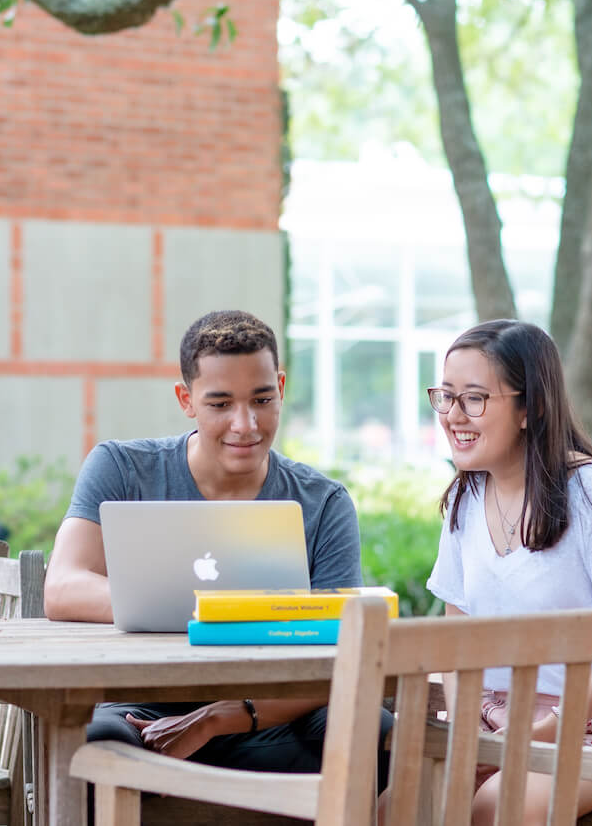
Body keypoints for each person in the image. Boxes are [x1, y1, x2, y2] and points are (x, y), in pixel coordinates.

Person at [45, 308, 391, 786]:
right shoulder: (121, 468)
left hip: (269, 712)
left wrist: (220, 716)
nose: (245, 424)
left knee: (372, 729)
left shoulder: (324, 503)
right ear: (186, 399)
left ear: (282, 388)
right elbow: (62, 588)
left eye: (262, 399)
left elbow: (342, 649)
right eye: (220, 403)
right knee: (94, 748)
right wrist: (209, 607)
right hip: (143, 710)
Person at [424, 319, 592, 826]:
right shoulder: (465, 498)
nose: (453, 416)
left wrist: (539, 733)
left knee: (497, 809)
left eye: (474, 399)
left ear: (530, 407)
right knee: (392, 806)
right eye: (444, 397)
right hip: (492, 721)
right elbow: (455, 631)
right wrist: (470, 725)